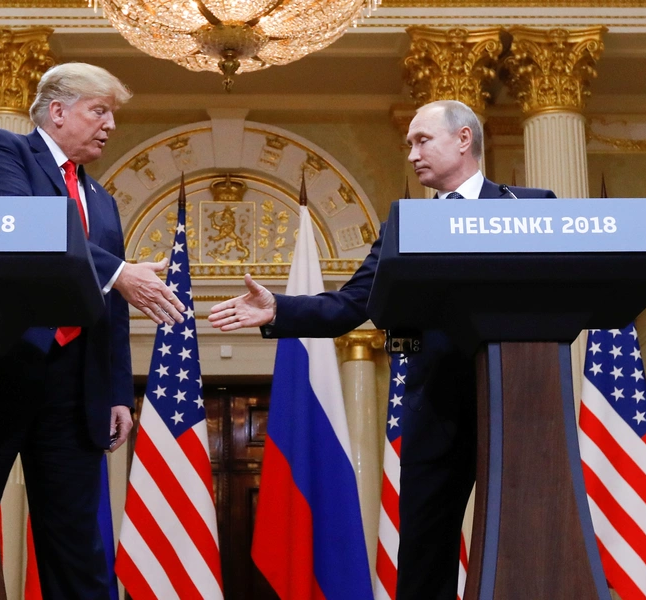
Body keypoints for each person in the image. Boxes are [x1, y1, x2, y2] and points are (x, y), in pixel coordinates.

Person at [208, 99, 556, 600]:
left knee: (528, 539)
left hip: (519, 399)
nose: (412, 154)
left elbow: (558, 288)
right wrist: (279, 311)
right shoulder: (404, 224)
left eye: (422, 141)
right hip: (434, 405)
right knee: (424, 550)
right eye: (408, 144)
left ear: (463, 139)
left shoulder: (530, 206)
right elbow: (351, 304)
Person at [0, 62, 186, 600]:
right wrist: (116, 271)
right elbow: (15, 227)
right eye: (99, 110)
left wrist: (115, 393)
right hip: (2, 372)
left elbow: (109, 308)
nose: (109, 125)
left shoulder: (102, 201)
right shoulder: (2, 151)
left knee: (77, 547)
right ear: (57, 111)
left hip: (74, 387)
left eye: (112, 114)